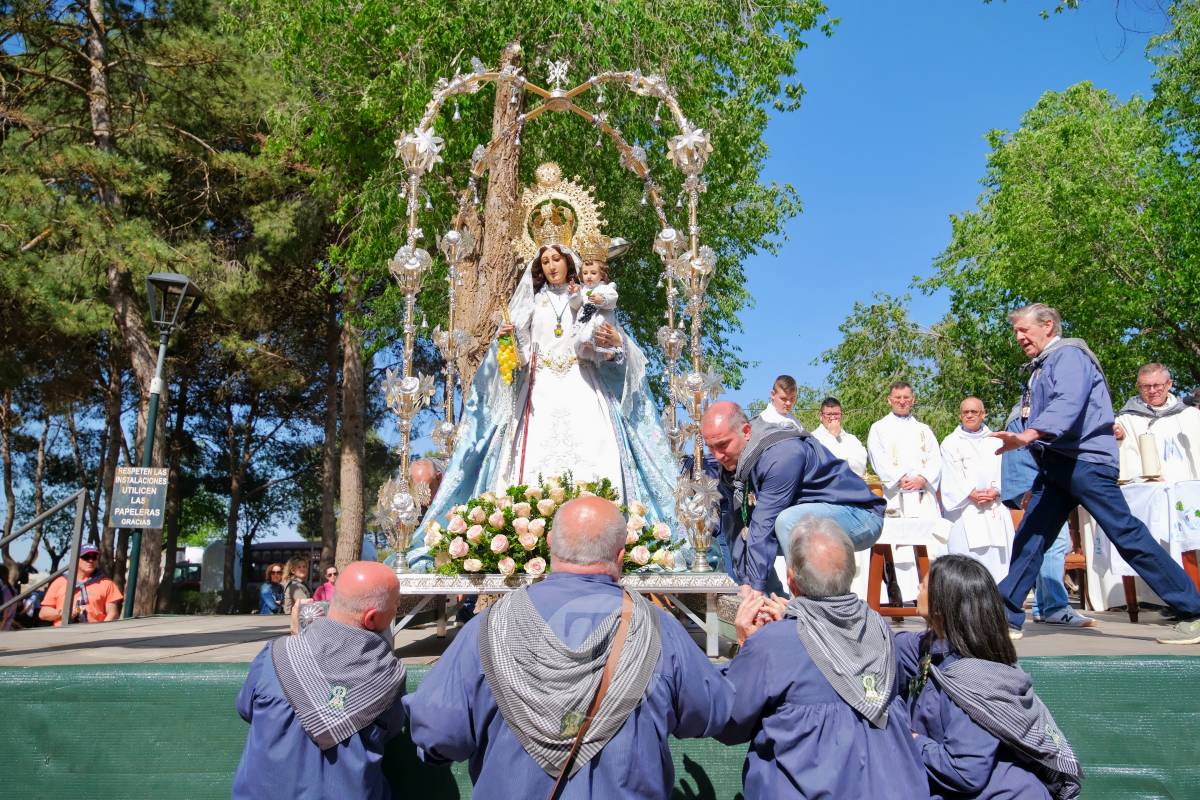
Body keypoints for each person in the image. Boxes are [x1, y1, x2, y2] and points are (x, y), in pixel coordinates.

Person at [407, 197, 681, 573]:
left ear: (570, 260)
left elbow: (613, 346)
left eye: (557, 258)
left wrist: (615, 346)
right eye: (545, 260)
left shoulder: (589, 297)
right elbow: (514, 361)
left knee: (594, 456)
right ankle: (528, 539)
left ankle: (606, 538)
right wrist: (506, 341)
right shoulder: (529, 305)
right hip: (538, 395)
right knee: (532, 467)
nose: (552, 266)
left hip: (584, 388)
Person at [405, 496, 731, 799]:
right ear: (621, 555)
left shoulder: (487, 628)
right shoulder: (660, 631)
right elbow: (713, 712)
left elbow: (438, 733)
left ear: (548, 545)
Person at [991, 303, 1200, 644]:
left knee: (1126, 534)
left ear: (1047, 325)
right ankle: (1005, 616)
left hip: (1085, 463)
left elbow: (1067, 403)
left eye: (1024, 330)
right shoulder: (1042, 366)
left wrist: (1029, 435)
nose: (1018, 337)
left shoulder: (1070, 356)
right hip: (1058, 464)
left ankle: (1193, 609)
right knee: (1031, 535)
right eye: (1016, 332)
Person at [718, 517, 930, 799]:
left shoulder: (773, 645)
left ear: (791, 580)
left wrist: (748, 644)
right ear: (850, 573)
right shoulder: (879, 629)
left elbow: (729, 723)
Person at [897, 555, 1082, 799]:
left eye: (924, 584)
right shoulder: (936, 647)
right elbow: (889, 644)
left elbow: (964, 772)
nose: (918, 588)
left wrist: (910, 739)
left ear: (942, 604)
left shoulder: (974, 682)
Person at [232, 561, 406, 799]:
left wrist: (295, 637)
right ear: (372, 618)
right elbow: (392, 730)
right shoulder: (389, 676)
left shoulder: (275, 655)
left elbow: (245, 708)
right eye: (396, 604)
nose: (397, 608)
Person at [699, 401, 885, 596]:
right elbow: (737, 528)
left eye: (722, 445)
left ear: (746, 431)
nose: (717, 455)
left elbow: (764, 523)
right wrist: (744, 580)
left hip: (860, 515)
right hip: (812, 519)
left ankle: (812, 610)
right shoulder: (733, 463)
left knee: (787, 521)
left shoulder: (781, 454)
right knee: (752, 535)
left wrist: (756, 586)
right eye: (710, 448)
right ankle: (774, 611)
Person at [1000, 407, 1089, 627]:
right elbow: (1029, 450)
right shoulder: (1036, 407)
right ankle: (1054, 606)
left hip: (1036, 479)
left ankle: (1042, 606)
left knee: (1043, 541)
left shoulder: (1041, 404)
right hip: (1032, 479)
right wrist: (1033, 485)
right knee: (1054, 539)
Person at [868, 381, 945, 600]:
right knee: (898, 550)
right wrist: (900, 479)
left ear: (913, 400)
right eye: (898, 397)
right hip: (897, 496)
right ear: (889, 400)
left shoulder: (923, 430)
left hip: (921, 497)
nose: (902, 401)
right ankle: (898, 596)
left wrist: (922, 479)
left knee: (929, 547)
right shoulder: (879, 428)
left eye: (906, 398)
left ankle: (930, 595)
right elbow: (878, 458)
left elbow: (935, 458)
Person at [940, 397, 1014, 584]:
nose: (970, 415)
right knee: (966, 567)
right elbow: (948, 475)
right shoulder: (950, 443)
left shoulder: (997, 441)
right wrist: (969, 492)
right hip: (965, 510)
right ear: (960, 415)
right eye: (966, 412)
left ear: (983, 414)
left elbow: (1007, 469)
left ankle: (998, 606)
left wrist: (997, 490)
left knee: (997, 566)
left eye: (974, 412)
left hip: (994, 509)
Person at [1113, 363, 1200, 482]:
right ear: (1138, 386)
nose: (1152, 390)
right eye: (1146, 386)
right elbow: (1126, 457)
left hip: (1191, 489)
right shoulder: (1127, 419)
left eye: (1157, 385)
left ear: (1169, 384)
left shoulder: (1190, 414)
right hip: (1151, 490)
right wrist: (1144, 478)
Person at [38, 544, 123, 626]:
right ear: (76, 559)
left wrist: (100, 632)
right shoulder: (60, 582)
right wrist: (63, 613)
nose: (91, 560)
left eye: (94, 557)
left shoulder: (106, 583)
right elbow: (43, 613)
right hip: (62, 633)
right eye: (86, 557)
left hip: (94, 633)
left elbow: (113, 613)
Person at [571, 232, 620, 361]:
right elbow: (576, 305)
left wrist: (602, 299)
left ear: (602, 275)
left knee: (601, 329)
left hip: (601, 316)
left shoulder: (606, 287)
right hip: (586, 317)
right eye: (585, 273)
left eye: (593, 273)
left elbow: (613, 298)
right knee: (582, 336)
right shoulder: (582, 289)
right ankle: (586, 347)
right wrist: (574, 294)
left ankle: (608, 351)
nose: (589, 276)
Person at [810, 396, 868, 476]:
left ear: (841, 415)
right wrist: (832, 437)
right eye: (829, 414)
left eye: (836, 414)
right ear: (821, 416)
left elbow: (860, 466)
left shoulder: (852, 439)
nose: (833, 418)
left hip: (851, 485)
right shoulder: (812, 439)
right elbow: (823, 466)